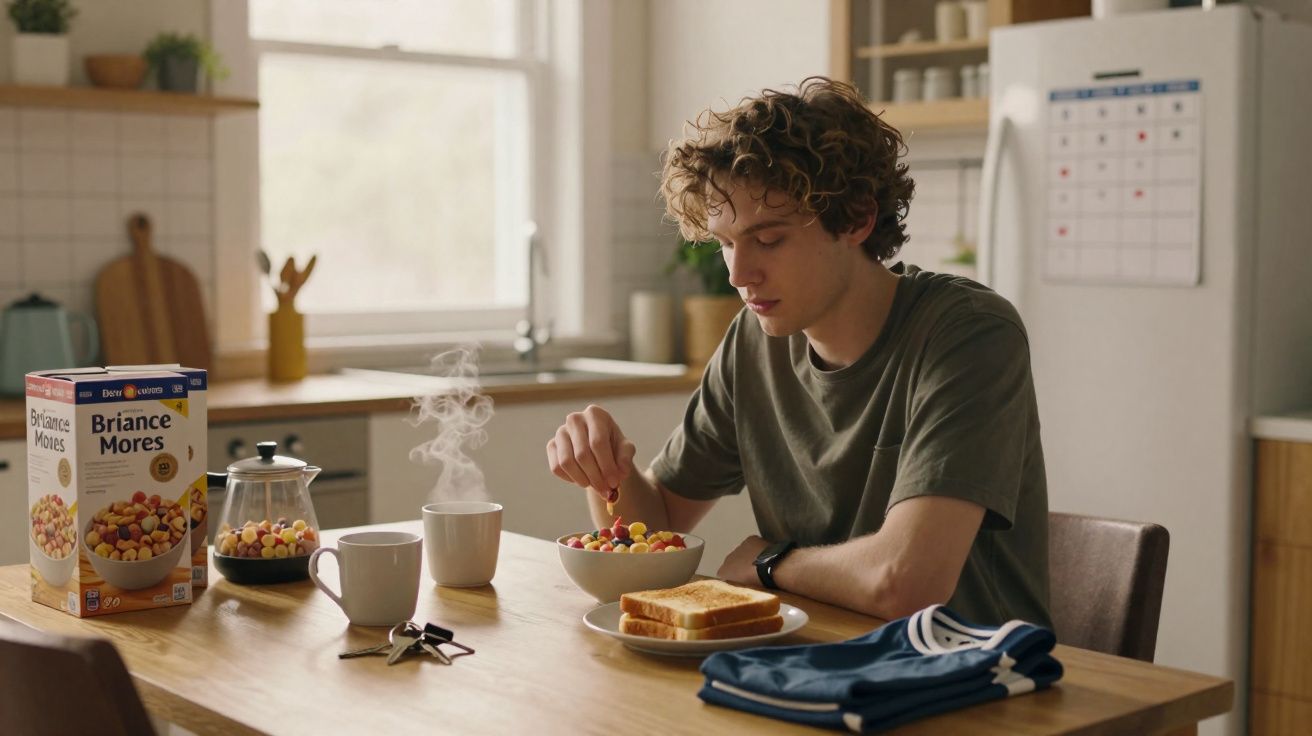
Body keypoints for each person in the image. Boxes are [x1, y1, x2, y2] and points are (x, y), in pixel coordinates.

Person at [545, 76, 1049, 627]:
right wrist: (606, 472)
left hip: (972, 678)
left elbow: (905, 582)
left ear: (856, 218)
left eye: (769, 240)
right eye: (726, 244)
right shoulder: (752, 342)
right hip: (810, 663)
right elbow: (660, 526)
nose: (739, 274)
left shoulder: (968, 333)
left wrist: (767, 562)